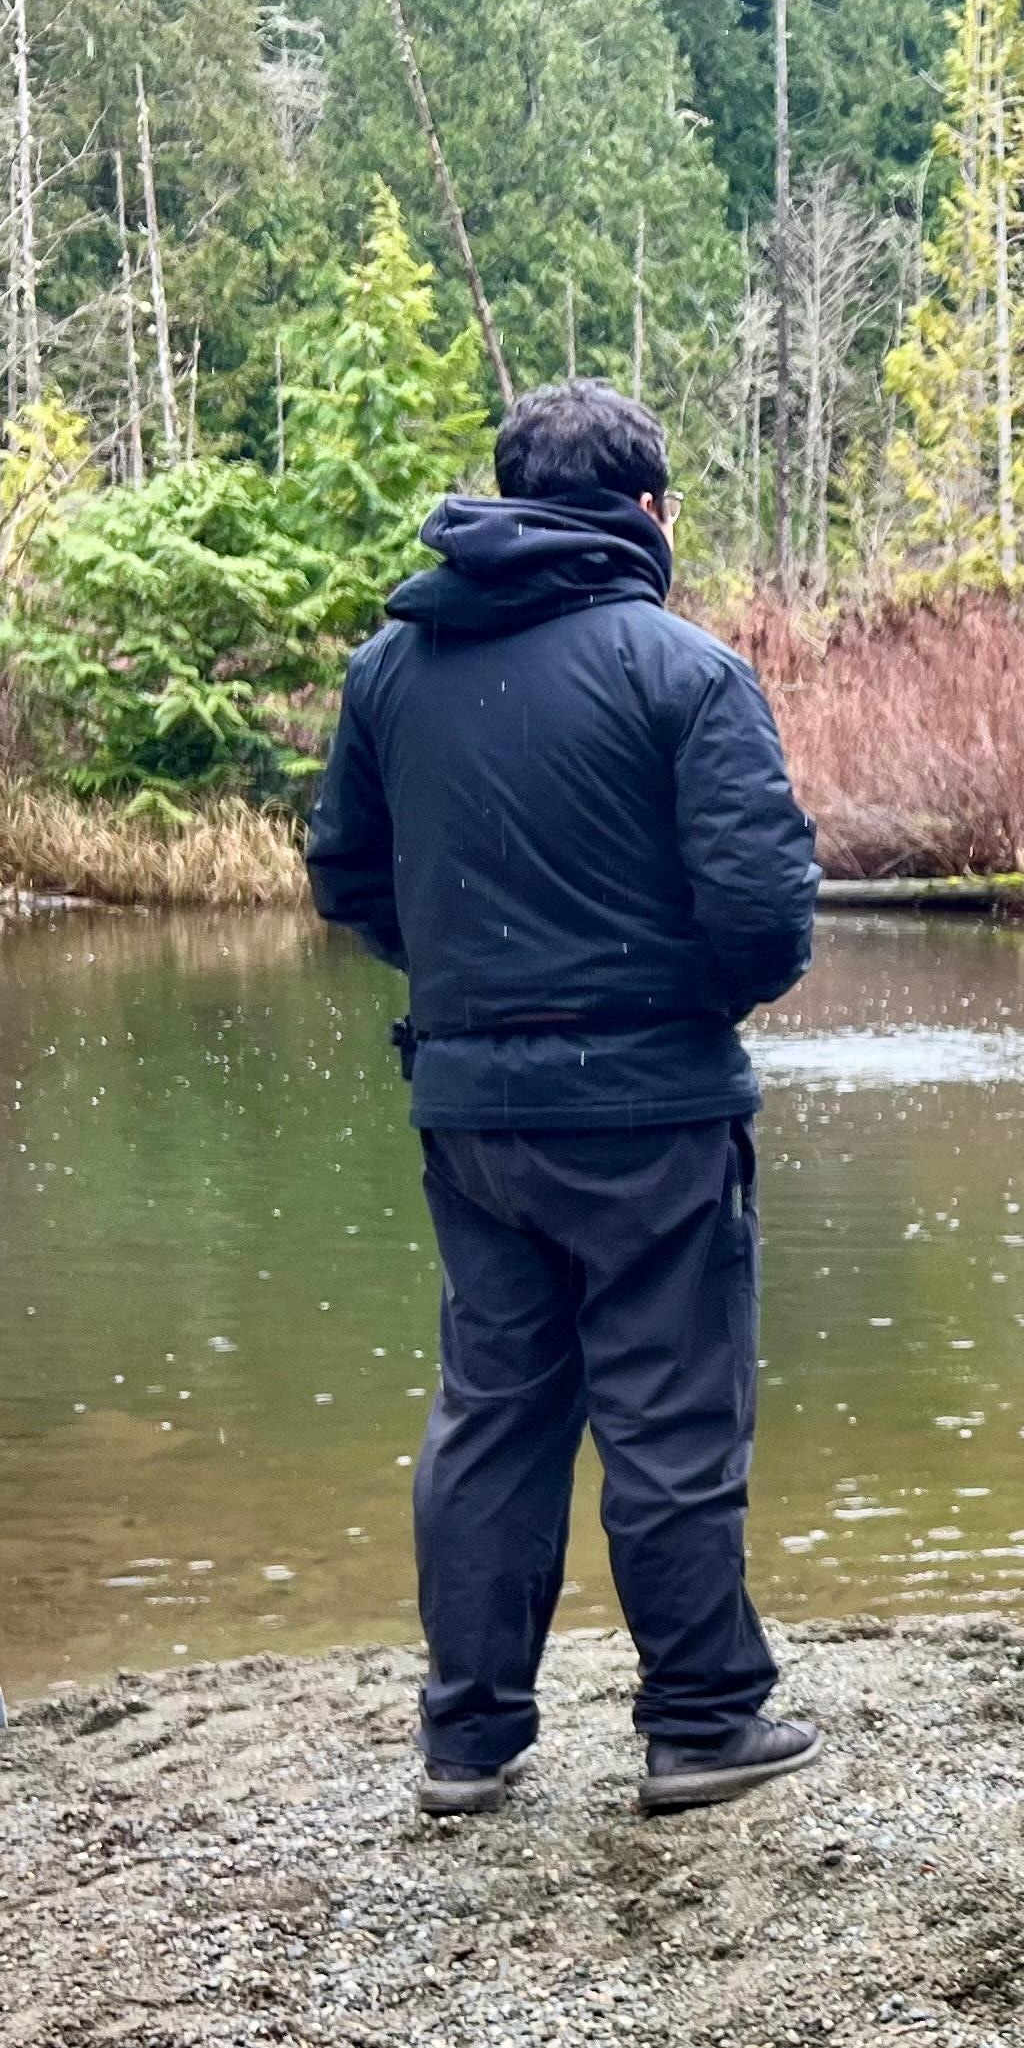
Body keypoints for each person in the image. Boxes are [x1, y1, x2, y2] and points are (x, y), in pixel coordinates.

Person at [305, 381, 824, 1822]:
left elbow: (348, 877)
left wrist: (477, 994)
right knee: (670, 1411)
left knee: (494, 1412)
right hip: (653, 1111)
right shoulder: (687, 671)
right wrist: (670, 1007)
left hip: (471, 1109)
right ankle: (703, 1723)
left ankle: (468, 1742)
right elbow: (765, 916)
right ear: (650, 511)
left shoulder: (389, 670)